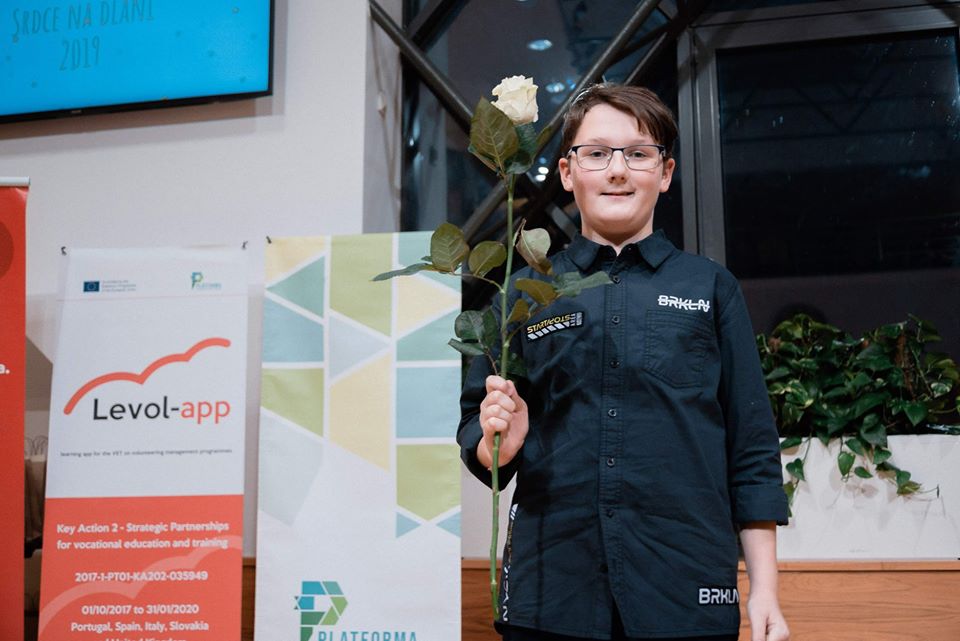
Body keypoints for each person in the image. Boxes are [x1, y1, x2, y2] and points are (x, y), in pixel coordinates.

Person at [457, 84, 791, 641]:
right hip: (550, 592)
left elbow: (751, 448)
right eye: (597, 153)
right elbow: (478, 432)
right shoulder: (524, 293)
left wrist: (766, 589)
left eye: (638, 153)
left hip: (685, 590)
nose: (617, 170)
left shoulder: (710, 288)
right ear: (568, 173)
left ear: (665, 173)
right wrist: (498, 445)